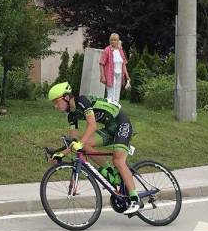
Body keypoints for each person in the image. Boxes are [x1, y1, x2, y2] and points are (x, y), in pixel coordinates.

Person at [47, 82, 142, 214]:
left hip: (121, 123)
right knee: (84, 146)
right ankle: (111, 174)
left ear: (66, 97)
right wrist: (60, 154)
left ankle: (135, 199)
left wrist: (78, 144)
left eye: (57, 101)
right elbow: (75, 142)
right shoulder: (71, 115)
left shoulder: (83, 102)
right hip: (109, 128)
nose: (56, 106)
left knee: (118, 161)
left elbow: (92, 126)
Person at [99, 33, 130, 102]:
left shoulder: (120, 50)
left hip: (119, 74)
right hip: (110, 74)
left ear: (118, 41)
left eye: (115, 40)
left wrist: (127, 76)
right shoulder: (107, 50)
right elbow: (101, 63)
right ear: (110, 41)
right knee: (111, 92)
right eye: (112, 40)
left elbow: (123, 64)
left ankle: (115, 107)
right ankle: (109, 107)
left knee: (117, 91)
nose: (113, 41)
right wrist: (103, 76)